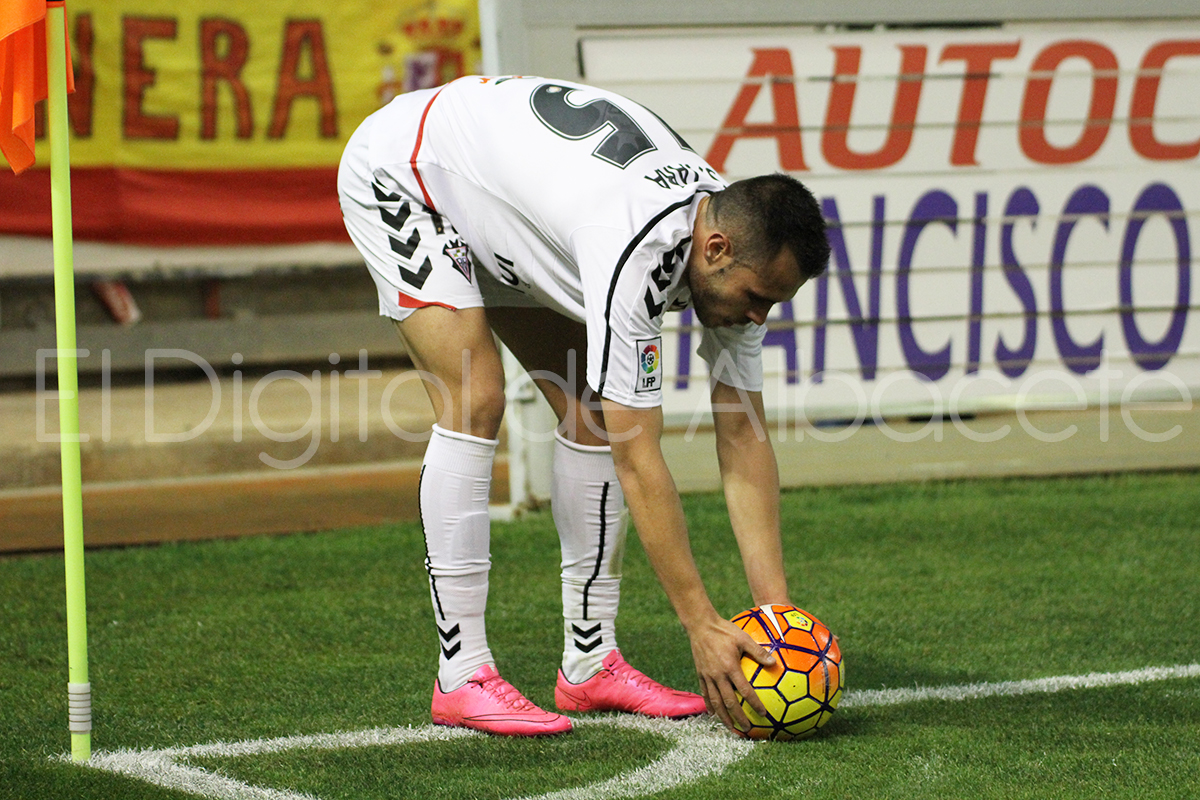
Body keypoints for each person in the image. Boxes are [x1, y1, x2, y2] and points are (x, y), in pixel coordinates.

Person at [337, 75, 830, 737]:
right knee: (476, 398)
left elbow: (743, 432)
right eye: (757, 297)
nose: (758, 316)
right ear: (716, 249)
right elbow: (639, 458)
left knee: (590, 416)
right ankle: (462, 674)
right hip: (408, 171)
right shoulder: (639, 247)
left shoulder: (729, 238)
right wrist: (701, 624)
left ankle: (590, 665)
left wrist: (779, 620)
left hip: (501, 199)